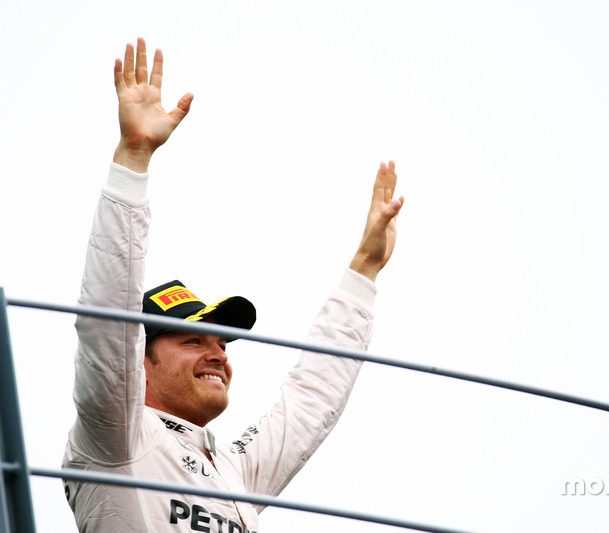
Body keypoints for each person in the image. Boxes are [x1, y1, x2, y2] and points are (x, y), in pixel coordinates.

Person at [62, 38, 403, 532]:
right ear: (141, 363)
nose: (219, 353)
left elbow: (310, 401)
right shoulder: (113, 436)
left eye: (221, 342)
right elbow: (106, 327)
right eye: (193, 340)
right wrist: (132, 160)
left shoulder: (233, 470)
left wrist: (363, 273)